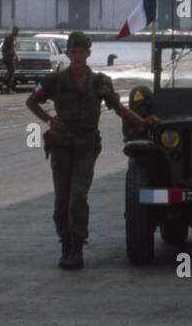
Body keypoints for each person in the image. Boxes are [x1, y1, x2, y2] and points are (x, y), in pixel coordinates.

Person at [26, 30, 158, 270]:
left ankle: (77, 247)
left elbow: (118, 108)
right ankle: (65, 244)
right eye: (73, 52)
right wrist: (48, 120)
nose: (77, 57)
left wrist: (142, 122)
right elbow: (31, 102)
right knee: (62, 200)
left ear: (88, 53)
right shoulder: (55, 80)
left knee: (78, 197)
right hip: (61, 146)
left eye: (81, 52)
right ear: (68, 54)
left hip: (86, 146)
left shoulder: (99, 82)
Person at [1, 26, 20, 93]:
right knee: (11, 72)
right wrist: (17, 56)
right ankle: (8, 89)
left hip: (7, 56)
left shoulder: (11, 37)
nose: (18, 33)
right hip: (8, 56)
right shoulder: (11, 38)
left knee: (10, 72)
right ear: (14, 31)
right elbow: (12, 48)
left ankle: (3, 84)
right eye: (17, 31)